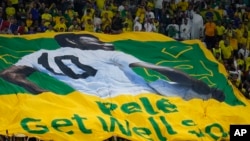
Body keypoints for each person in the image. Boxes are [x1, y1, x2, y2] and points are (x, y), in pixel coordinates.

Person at [0, 33, 225, 102]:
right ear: (73, 41)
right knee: (189, 91)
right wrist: (194, 82)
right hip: (142, 96)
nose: (99, 40)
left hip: (100, 101)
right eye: (91, 37)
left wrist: (44, 94)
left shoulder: (39, 54)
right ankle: (233, 123)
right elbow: (158, 68)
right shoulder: (102, 53)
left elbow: (8, 73)